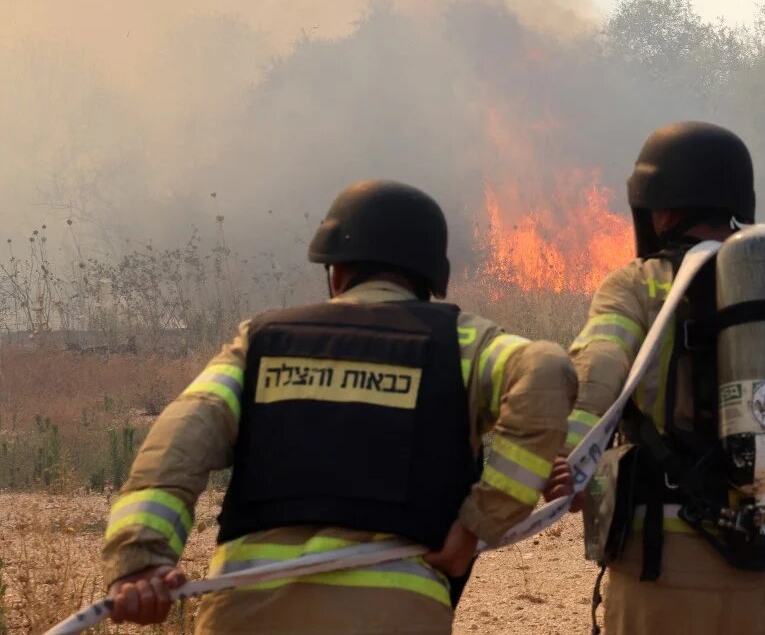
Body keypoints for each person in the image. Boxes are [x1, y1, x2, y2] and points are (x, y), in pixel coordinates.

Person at [101, 180, 576, 634]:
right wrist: (482, 521)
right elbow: (548, 371)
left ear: (336, 272)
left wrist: (139, 562)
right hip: (393, 615)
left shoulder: (261, 342)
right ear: (429, 279)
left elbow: (179, 440)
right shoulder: (461, 345)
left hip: (247, 612)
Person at [546, 122, 765, 634]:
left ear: (660, 209)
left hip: (661, 572)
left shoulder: (637, 289)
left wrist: (567, 465)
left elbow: (595, 377)